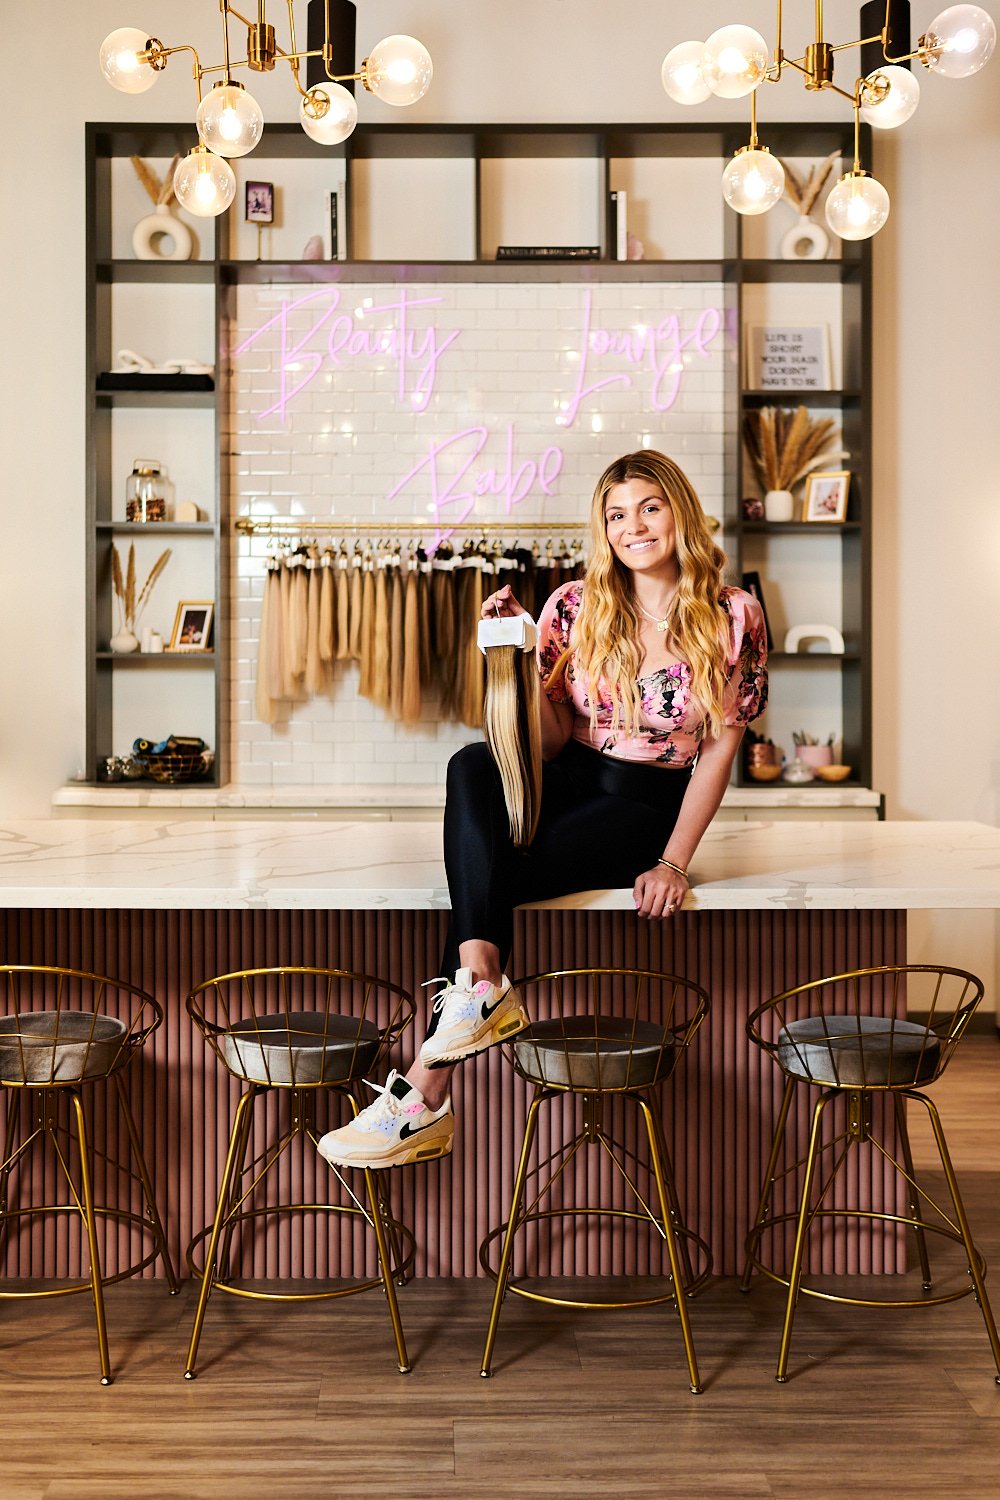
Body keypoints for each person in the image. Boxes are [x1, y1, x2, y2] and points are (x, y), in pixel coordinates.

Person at [316, 449, 768, 1171]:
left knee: (486, 882)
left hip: (645, 804)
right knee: (471, 762)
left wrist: (674, 861)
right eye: (617, 515)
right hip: (569, 782)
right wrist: (520, 662)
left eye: (649, 507)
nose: (634, 527)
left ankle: (425, 1089)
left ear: (679, 510)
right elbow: (552, 740)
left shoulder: (731, 615)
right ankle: (479, 985)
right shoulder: (574, 606)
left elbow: (718, 751)